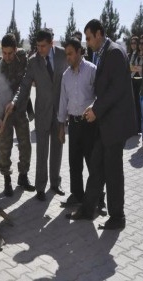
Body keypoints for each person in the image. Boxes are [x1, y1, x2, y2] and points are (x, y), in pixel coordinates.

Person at [66, 19, 136, 230]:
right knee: (96, 166)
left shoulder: (114, 52)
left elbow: (116, 89)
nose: (87, 43)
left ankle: (118, 216)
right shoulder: (106, 52)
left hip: (114, 124)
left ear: (99, 34)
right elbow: (105, 89)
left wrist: (96, 110)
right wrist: (95, 107)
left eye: (88, 38)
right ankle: (88, 209)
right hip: (106, 124)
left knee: (113, 171)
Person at [6, 29, 68, 201]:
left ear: (52, 43)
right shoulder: (33, 62)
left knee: (58, 147)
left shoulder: (63, 55)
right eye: (37, 46)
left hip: (60, 111)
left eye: (43, 46)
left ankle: (55, 183)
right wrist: (15, 101)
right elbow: (25, 84)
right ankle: (40, 186)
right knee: (42, 150)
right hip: (42, 112)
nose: (40, 49)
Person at [58, 37, 106, 214]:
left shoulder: (92, 70)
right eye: (66, 54)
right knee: (74, 161)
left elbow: (100, 95)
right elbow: (63, 101)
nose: (68, 57)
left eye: (70, 54)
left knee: (93, 162)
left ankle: (99, 198)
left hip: (90, 124)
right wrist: (61, 126)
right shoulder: (65, 76)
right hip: (74, 124)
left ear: (79, 52)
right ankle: (77, 195)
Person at [0, 33, 35, 197]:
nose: (7, 56)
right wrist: (0, 119)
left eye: (10, 53)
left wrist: (17, 101)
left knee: (25, 144)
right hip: (6, 111)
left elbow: (25, 82)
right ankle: (7, 181)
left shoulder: (23, 57)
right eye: (4, 53)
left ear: (16, 50)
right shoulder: (0, 70)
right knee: (5, 146)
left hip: (21, 109)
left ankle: (23, 177)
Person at [129, 36, 142, 135]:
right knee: (132, 105)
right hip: (132, 81)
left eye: (135, 43)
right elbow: (129, 67)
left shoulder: (139, 54)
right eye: (131, 42)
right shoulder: (131, 54)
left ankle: (138, 128)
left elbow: (138, 68)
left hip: (139, 81)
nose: (133, 44)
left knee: (137, 105)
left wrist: (133, 68)